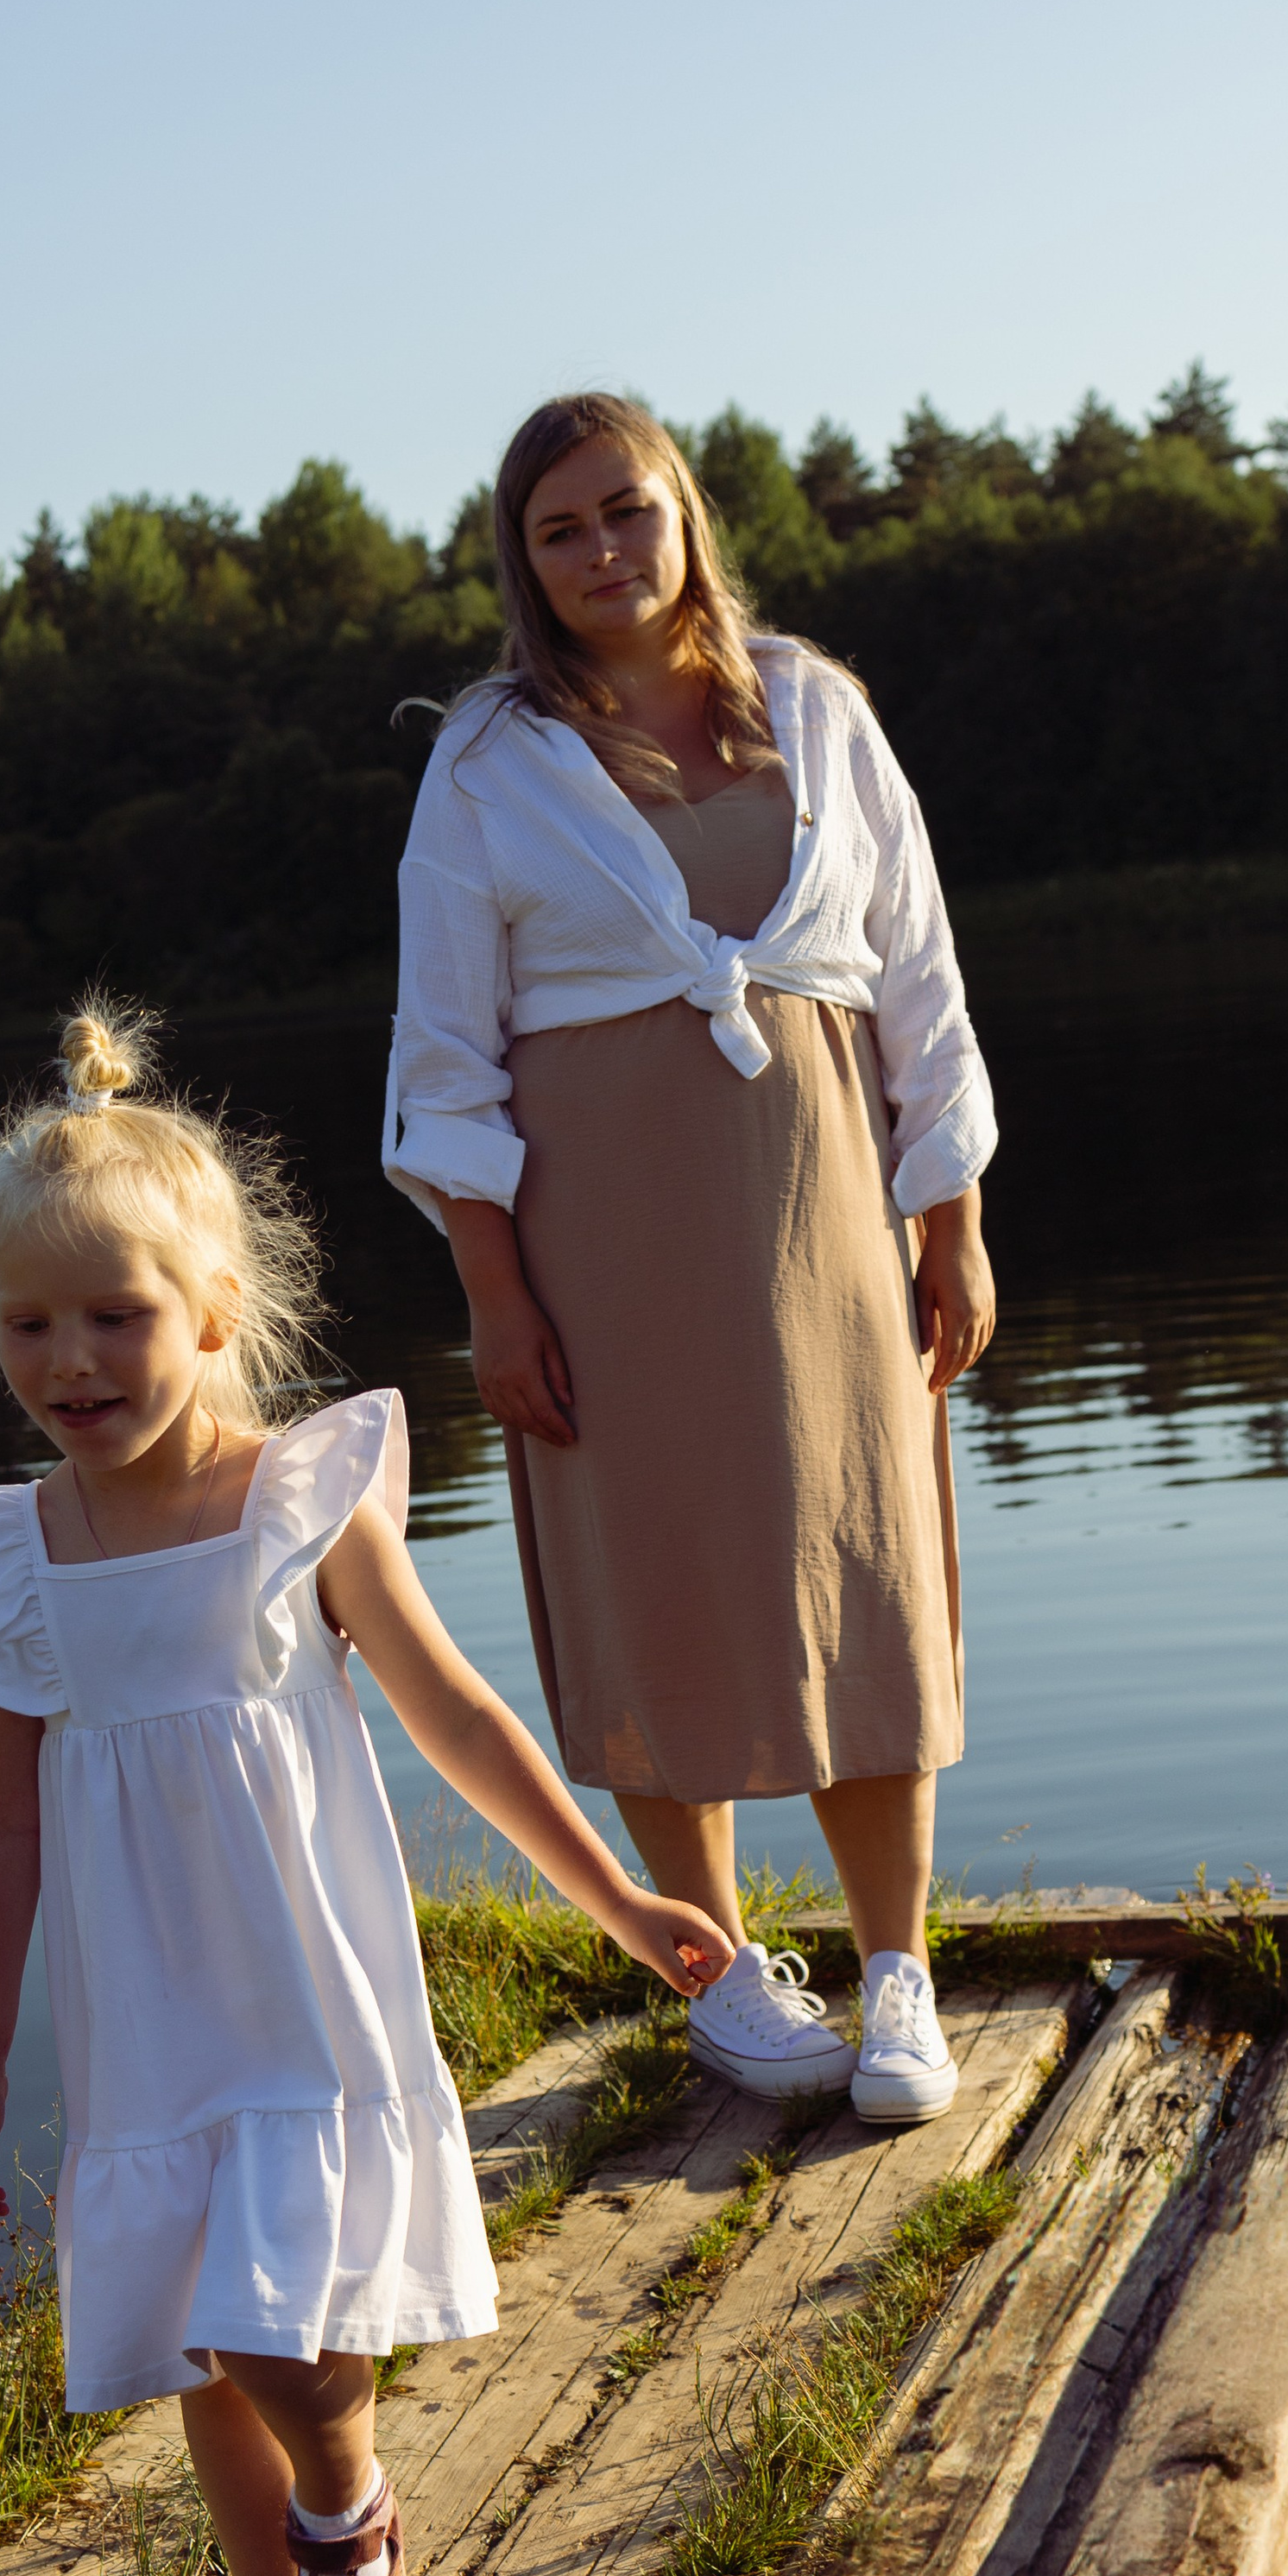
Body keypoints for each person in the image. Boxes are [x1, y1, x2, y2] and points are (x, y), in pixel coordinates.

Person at [0, 1002, 730, 2576]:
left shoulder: (297, 1496)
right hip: (145, 2012)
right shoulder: (9, 1566)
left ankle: (350, 2516)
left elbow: (452, 1710)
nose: (70, 1359)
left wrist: (613, 1896)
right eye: (26, 1325)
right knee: (211, 2346)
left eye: (113, 1315)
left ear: (208, 1312)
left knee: (285, 2314)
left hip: (296, 1978)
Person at [384, 395, 998, 2125]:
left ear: (683, 516)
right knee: (650, 1570)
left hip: (823, 1206)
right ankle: (720, 1974)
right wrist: (493, 1291)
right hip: (600, 1231)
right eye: (557, 532)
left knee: (862, 1558)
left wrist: (949, 1217)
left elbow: (916, 976)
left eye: (622, 513)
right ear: (522, 562)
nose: (597, 554)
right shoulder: (489, 758)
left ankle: (895, 1978)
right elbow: (444, 1054)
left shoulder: (812, 705)